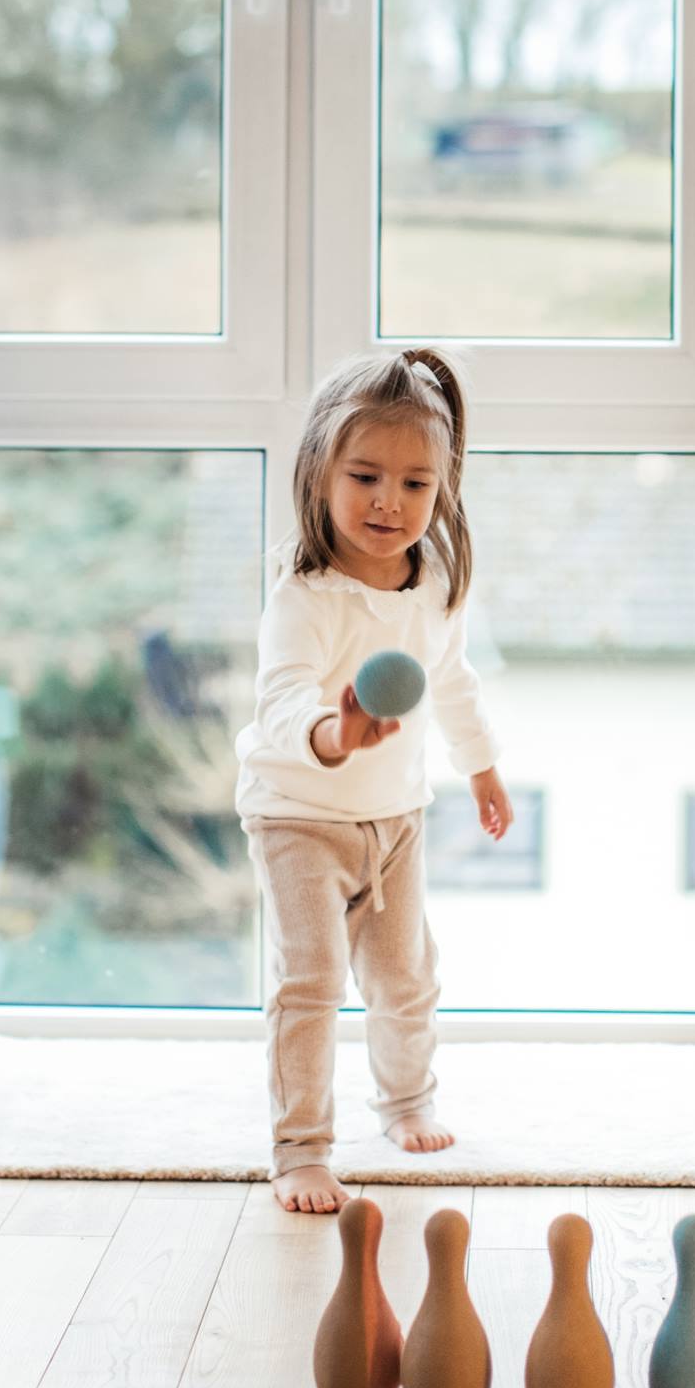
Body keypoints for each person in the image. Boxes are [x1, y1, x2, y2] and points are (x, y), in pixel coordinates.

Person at [235, 347, 512, 1214]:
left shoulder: (434, 582)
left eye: (416, 484)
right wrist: (337, 731)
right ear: (320, 472)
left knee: (405, 979)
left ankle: (403, 1103)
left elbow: (454, 680)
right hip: (299, 813)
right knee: (310, 980)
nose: (390, 502)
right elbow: (281, 698)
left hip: (395, 817)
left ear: (444, 489)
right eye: (365, 476)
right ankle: (301, 1149)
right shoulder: (307, 592)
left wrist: (483, 767)